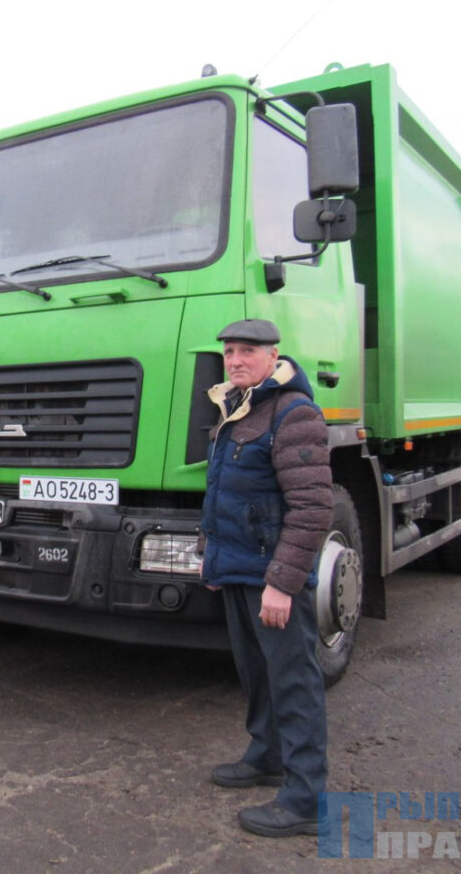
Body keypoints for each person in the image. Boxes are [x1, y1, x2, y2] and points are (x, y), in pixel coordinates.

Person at [197, 318, 333, 838]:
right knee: (256, 672)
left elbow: (312, 508)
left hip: (272, 577)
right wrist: (214, 560)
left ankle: (305, 800)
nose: (234, 360)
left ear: (273, 355)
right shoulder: (237, 407)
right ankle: (267, 756)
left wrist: (281, 582)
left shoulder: (293, 413)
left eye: (246, 351)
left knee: (293, 681)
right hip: (239, 569)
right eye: (229, 351)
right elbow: (223, 494)